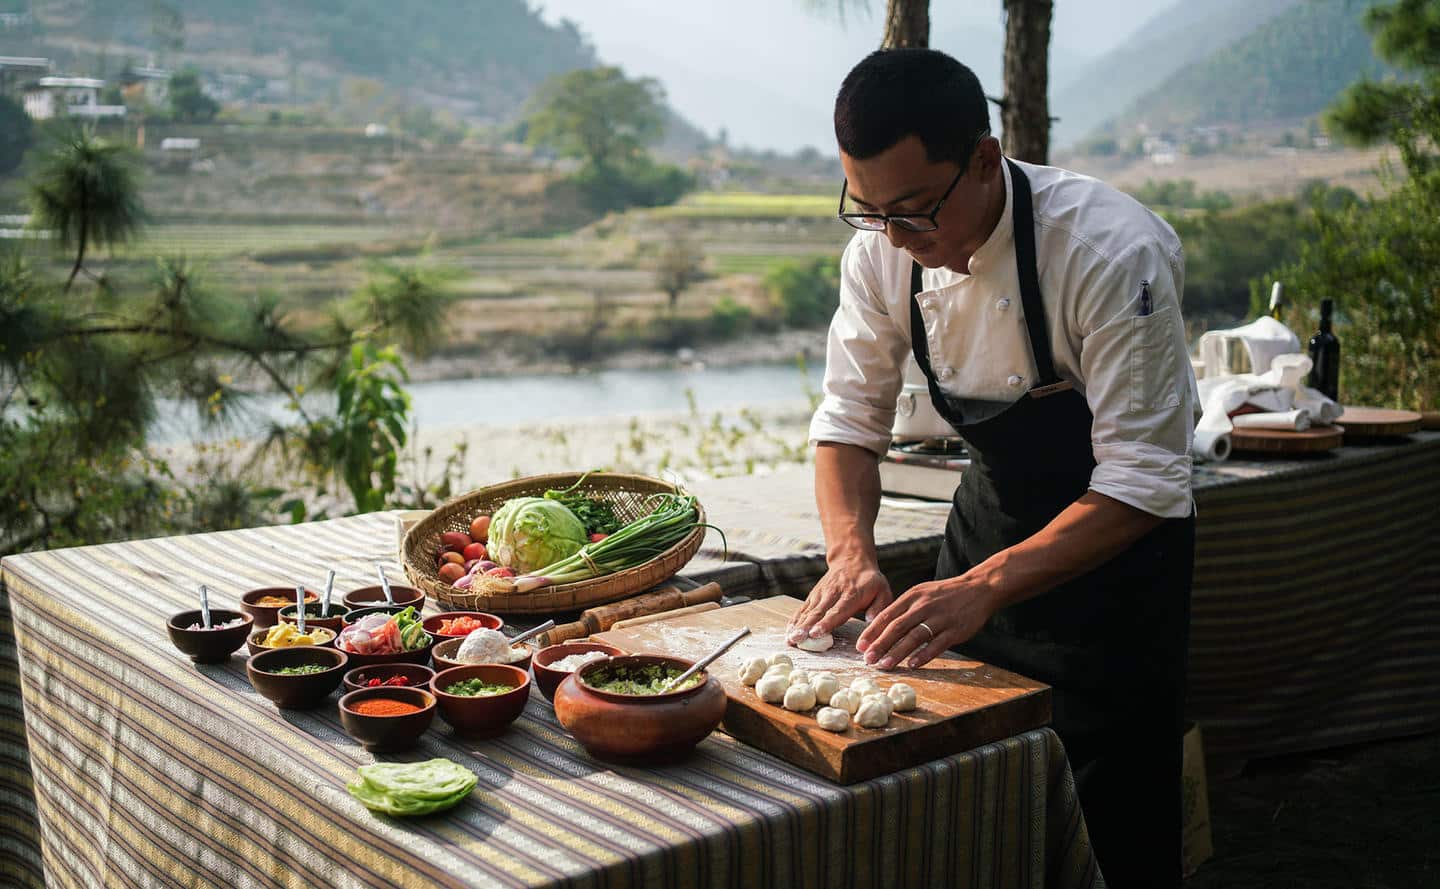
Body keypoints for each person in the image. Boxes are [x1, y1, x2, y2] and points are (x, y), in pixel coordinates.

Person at [785, 48, 1199, 889]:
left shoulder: (1107, 254)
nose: (895, 237)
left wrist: (985, 586)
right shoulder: (883, 250)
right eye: (867, 210)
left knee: (1112, 828)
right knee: (962, 807)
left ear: (983, 158)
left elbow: (1143, 481)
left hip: (1113, 576)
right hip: (983, 537)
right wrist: (849, 552)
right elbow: (848, 423)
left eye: (914, 211)